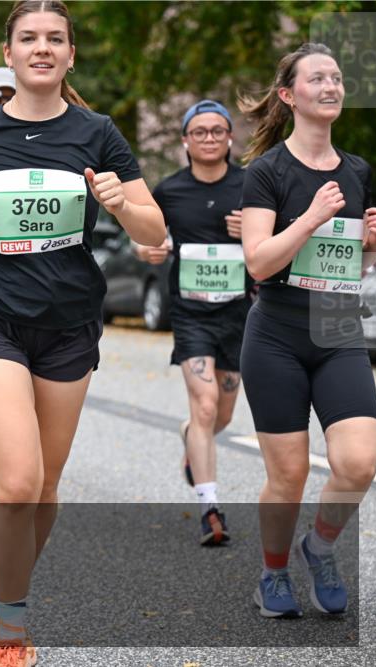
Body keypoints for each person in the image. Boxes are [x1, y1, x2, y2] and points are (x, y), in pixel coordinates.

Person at [0, 2, 164, 663]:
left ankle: (6, 593)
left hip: (67, 324)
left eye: (56, 38)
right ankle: (13, 632)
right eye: (29, 38)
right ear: (9, 53)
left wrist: (121, 204)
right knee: (19, 481)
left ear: (71, 55)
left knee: (48, 486)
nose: (43, 47)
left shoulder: (98, 132)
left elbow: (154, 231)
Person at [238, 42, 376, 618]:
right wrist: (312, 217)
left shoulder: (357, 170)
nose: (331, 86)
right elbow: (258, 262)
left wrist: (371, 250)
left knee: (358, 463)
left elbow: (350, 269)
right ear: (288, 95)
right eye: (316, 78)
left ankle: (318, 548)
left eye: (338, 78)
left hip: (338, 322)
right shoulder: (266, 172)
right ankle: (273, 575)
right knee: (290, 473)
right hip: (276, 330)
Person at [135, 99, 249, 545]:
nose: (208, 138)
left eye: (216, 131)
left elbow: (279, 239)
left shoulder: (250, 186)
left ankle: (190, 438)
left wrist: (255, 231)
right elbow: (145, 241)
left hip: (239, 313)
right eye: (199, 131)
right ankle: (211, 509)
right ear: (185, 140)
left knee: (220, 414)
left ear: (229, 137)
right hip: (191, 311)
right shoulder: (169, 191)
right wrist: (150, 251)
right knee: (203, 406)